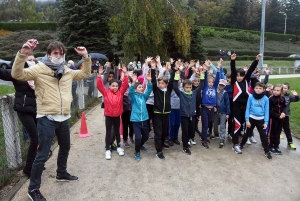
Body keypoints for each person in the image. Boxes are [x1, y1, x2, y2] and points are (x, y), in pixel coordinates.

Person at [11, 39, 91, 201]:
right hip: (46, 116)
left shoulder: (67, 70)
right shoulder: (39, 69)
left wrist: (85, 57)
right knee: (42, 154)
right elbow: (17, 74)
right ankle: (33, 189)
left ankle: (61, 173)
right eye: (55, 53)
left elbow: (84, 73)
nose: (59, 56)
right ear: (48, 54)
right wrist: (23, 54)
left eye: (61, 53)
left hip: (63, 117)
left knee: (65, 147)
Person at [0, 54, 38, 177]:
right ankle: (28, 169)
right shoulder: (17, 73)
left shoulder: (37, 72)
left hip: (37, 109)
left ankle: (36, 163)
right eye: (29, 60)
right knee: (35, 138)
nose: (32, 62)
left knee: (41, 137)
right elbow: (2, 73)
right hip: (23, 108)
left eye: (33, 59)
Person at [230, 54, 261, 154]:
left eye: (241, 75)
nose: (239, 77)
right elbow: (233, 70)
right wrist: (233, 61)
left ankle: (243, 142)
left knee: (246, 125)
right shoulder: (234, 81)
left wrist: (256, 60)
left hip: (246, 107)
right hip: (236, 107)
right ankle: (235, 144)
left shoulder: (247, 80)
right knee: (237, 125)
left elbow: (251, 69)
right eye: (238, 76)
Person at [97, 65, 129, 160]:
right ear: (109, 86)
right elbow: (99, 86)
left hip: (117, 116)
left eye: (116, 86)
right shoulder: (106, 92)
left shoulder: (120, 92)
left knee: (117, 132)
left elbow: (125, 84)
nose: (115, 87)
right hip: (108, 116)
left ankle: (118, 146)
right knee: (108, 132)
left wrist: (126, 74)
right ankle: (107, 149)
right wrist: (99, 75)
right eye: (113, 86)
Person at [173, 67, 202, 155]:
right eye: (187, 87)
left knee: (191, 130)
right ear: (183, 87)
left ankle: (188, 141)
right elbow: (175, 86)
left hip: (192, 115)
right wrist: (177, 74)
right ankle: (185, 147)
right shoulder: (181, 94)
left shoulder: (194, 93)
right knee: (185, 131)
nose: (188, 89)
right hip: (184, 115)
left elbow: (202, 85)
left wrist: (203, 74)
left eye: (190, 87)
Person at [239, 82, 271, 160]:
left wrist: (266, 122)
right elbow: (247, 109)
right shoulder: (250, 97)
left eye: (260, 88)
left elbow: (267, 111)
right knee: (247, 133)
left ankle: (267, 151)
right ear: (254, 89)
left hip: (261, 119)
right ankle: (241, 145)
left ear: (263, 90)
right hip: (251, 118)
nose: (258, 90)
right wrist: (247, 120)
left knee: (263, 135)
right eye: (256, 88)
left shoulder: (266, 98)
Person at [151, 56, 174, 160]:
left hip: (166, 113)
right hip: (157, 113)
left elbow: (172, 81)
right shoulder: (156, 90)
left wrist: (172, 68)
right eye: (159, 83)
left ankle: (162, 143)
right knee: (158, 132)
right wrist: (152, 68)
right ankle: (158, 151)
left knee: (165, 132)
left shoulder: (168, 90)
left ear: (166, 84)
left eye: (162, 83)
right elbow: (153, 81)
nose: (160, 85)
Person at [128, 73, 153, 161]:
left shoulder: (144, 97)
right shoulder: (133, 98)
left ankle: (141, 145)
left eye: (142, 87)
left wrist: (149, 81)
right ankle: (137, 151)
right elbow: (130, 91)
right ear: (135, 89)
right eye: (139, 87)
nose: (142, 88)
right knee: (138, 137)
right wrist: (134, 82)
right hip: (136, 121)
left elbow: (149, 90)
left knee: (146, 136)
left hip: (145, 120)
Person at [201, 62, 220, 149]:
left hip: (212, 109)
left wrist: (218, 70)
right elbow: (204, 79)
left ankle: (204, 137)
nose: (211, 83)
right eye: (209, 82)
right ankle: (204, 140)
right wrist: (206, 70)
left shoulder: (214, 87)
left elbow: (217, 79)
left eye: (212, 82)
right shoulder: (205, 87)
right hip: (205, 108)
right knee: (205, 125)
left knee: (208, 124)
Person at [268, 84, 287, 155]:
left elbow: (285, 106)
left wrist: (283, 113)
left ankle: (276, 146)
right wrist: (277, 115)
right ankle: (270, 146)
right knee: (272, 132)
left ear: (281, 91)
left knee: (278, 132)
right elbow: (269, 110)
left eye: (277, 90)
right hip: (273, 119)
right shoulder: (270, 99)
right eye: (274, 90)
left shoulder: (282, 98)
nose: (275, 92)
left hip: (281, 118)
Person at [212, 79, 230, 148]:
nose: (221, 86)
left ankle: (222, 139)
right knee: (215, 124)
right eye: (220, 85)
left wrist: (227, 113)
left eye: (222, 85)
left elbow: (227, 104)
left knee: (222, 126)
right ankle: (216, 134)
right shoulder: (215, 91)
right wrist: (214, 106)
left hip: (223, 111)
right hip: (216, 111)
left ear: (224, 86)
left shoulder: (225, 93)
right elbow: (212, 99)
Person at [282, 82, 299, 150]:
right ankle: (274, 142)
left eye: (285, 88)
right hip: (277, 115)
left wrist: (296, 96)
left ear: (288, 89)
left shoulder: (289, 96)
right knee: (276, 128)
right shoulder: (277, 94)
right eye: (282, 87)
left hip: (286, 115)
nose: (283, 89)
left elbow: (296, 99)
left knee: (287, 129)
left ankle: (290, 142)